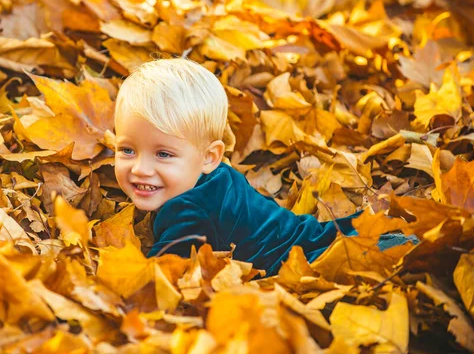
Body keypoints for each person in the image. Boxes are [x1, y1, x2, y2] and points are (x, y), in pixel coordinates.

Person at [113, 58, 412, 276]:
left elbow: (160, 276)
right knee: (348, 237)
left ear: (209, 157)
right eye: (127, 149)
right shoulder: (219, 178)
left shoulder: (188, 212)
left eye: (163, 155)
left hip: (296, 262)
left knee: (362, 259)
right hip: (303, 234)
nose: (140, 168)